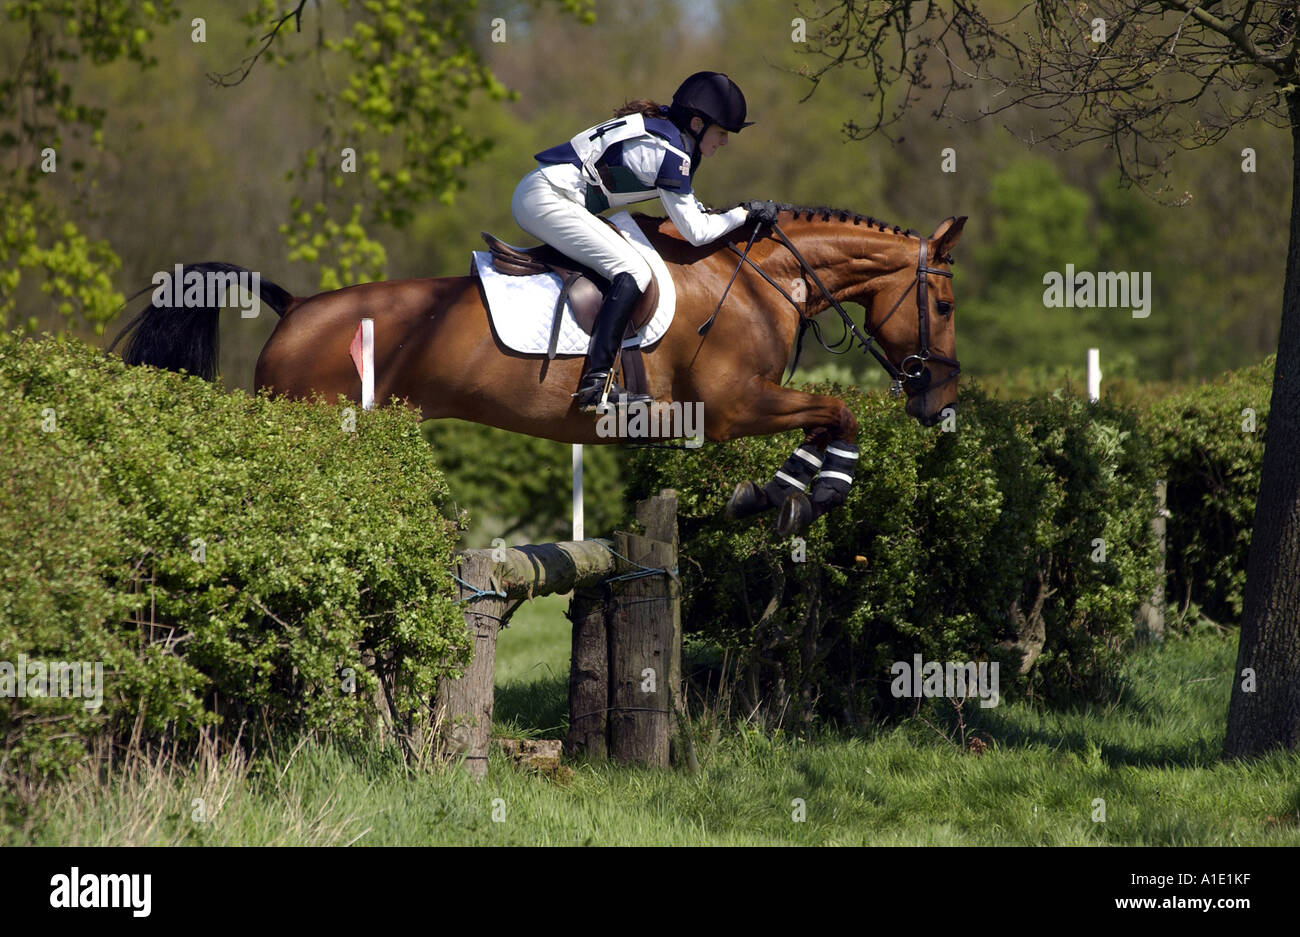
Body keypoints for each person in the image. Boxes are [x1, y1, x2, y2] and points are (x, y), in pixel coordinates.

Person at [512, 70, 779, 412]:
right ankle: (596, 383)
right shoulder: (668, 152)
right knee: (634, 271)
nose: (725, 142)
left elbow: (690, 212)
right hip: (548, 199)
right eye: (722, 132)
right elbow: (696, 232)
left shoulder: (669, 134)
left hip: (549, 194)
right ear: (697, 124)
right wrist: (745, 213)